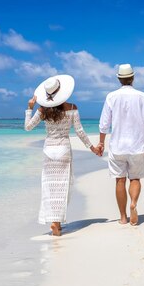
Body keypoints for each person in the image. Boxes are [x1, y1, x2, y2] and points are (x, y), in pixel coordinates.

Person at [25, 74, 101, 236]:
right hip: (64, 150)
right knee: (62, 187)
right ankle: (56, 223)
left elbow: (28, 127)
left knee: (49, 188)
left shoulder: (42, 110)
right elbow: (80, 132)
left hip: (48, 151)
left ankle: (55, 223)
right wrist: (93, 147)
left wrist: (29, 108)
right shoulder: (72, 108)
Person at [98, 64, 144, 226]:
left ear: (119, 79)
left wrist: (101, 142)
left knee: (120, 181)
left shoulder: (111, 97)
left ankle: (123, 217)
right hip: (137, 145)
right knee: (135, 178)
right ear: (133, 78)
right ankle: (134, 204)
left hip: (117, 146)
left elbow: (104, 124)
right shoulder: (143, 97)